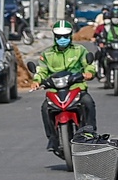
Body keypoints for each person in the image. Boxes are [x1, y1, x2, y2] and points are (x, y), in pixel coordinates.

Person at [35, 21, 98, 157]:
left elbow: (88, 65)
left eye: (65, 36)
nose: (62, 39)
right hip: (55, 90)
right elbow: (41, 70)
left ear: (70, 36)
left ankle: (89, 132)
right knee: (45, 108)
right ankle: (52, 138)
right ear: (54, 37)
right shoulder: (47, 54)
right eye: (59, 37)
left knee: (88, 102)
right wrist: (36, 80)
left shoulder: (79, 50)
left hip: (76, 87)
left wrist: (89, 72)